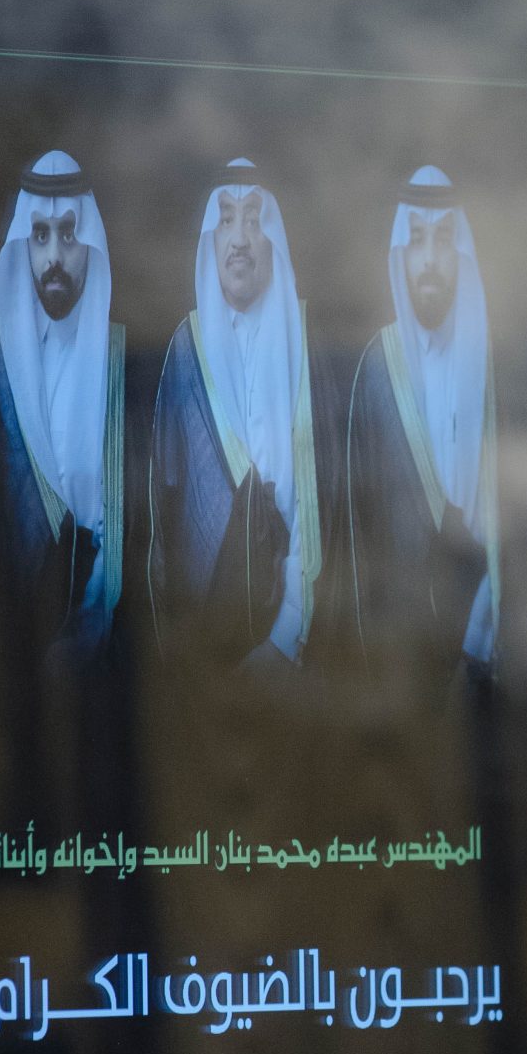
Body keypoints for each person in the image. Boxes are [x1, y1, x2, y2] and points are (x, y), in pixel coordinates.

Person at [146, 158, 325, 670]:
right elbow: (165, 512)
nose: (240, 239)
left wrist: (287, 636)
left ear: (274, 239)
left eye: (254, 220)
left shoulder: (307, 343)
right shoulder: (186, 349)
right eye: (226, 219)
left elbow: (324, 501)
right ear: (211, 237)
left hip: (295, 645)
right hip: (201, 645)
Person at [0, 151, 125, 658]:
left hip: (107, 632)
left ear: (90, 244)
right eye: (40, 236)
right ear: (23, 244)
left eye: (69, 235)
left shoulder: (120, 358)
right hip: (17, 635)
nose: (53, 256)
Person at [345, 165, 498, 684]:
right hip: (400, 645)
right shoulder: (375, 368)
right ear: (399, 254)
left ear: (463, 254)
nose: (429, 259)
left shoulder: (494, 369)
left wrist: (481, 634)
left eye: (443, 240)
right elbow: (361, 521)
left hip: (488, 638)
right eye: (416, 241)